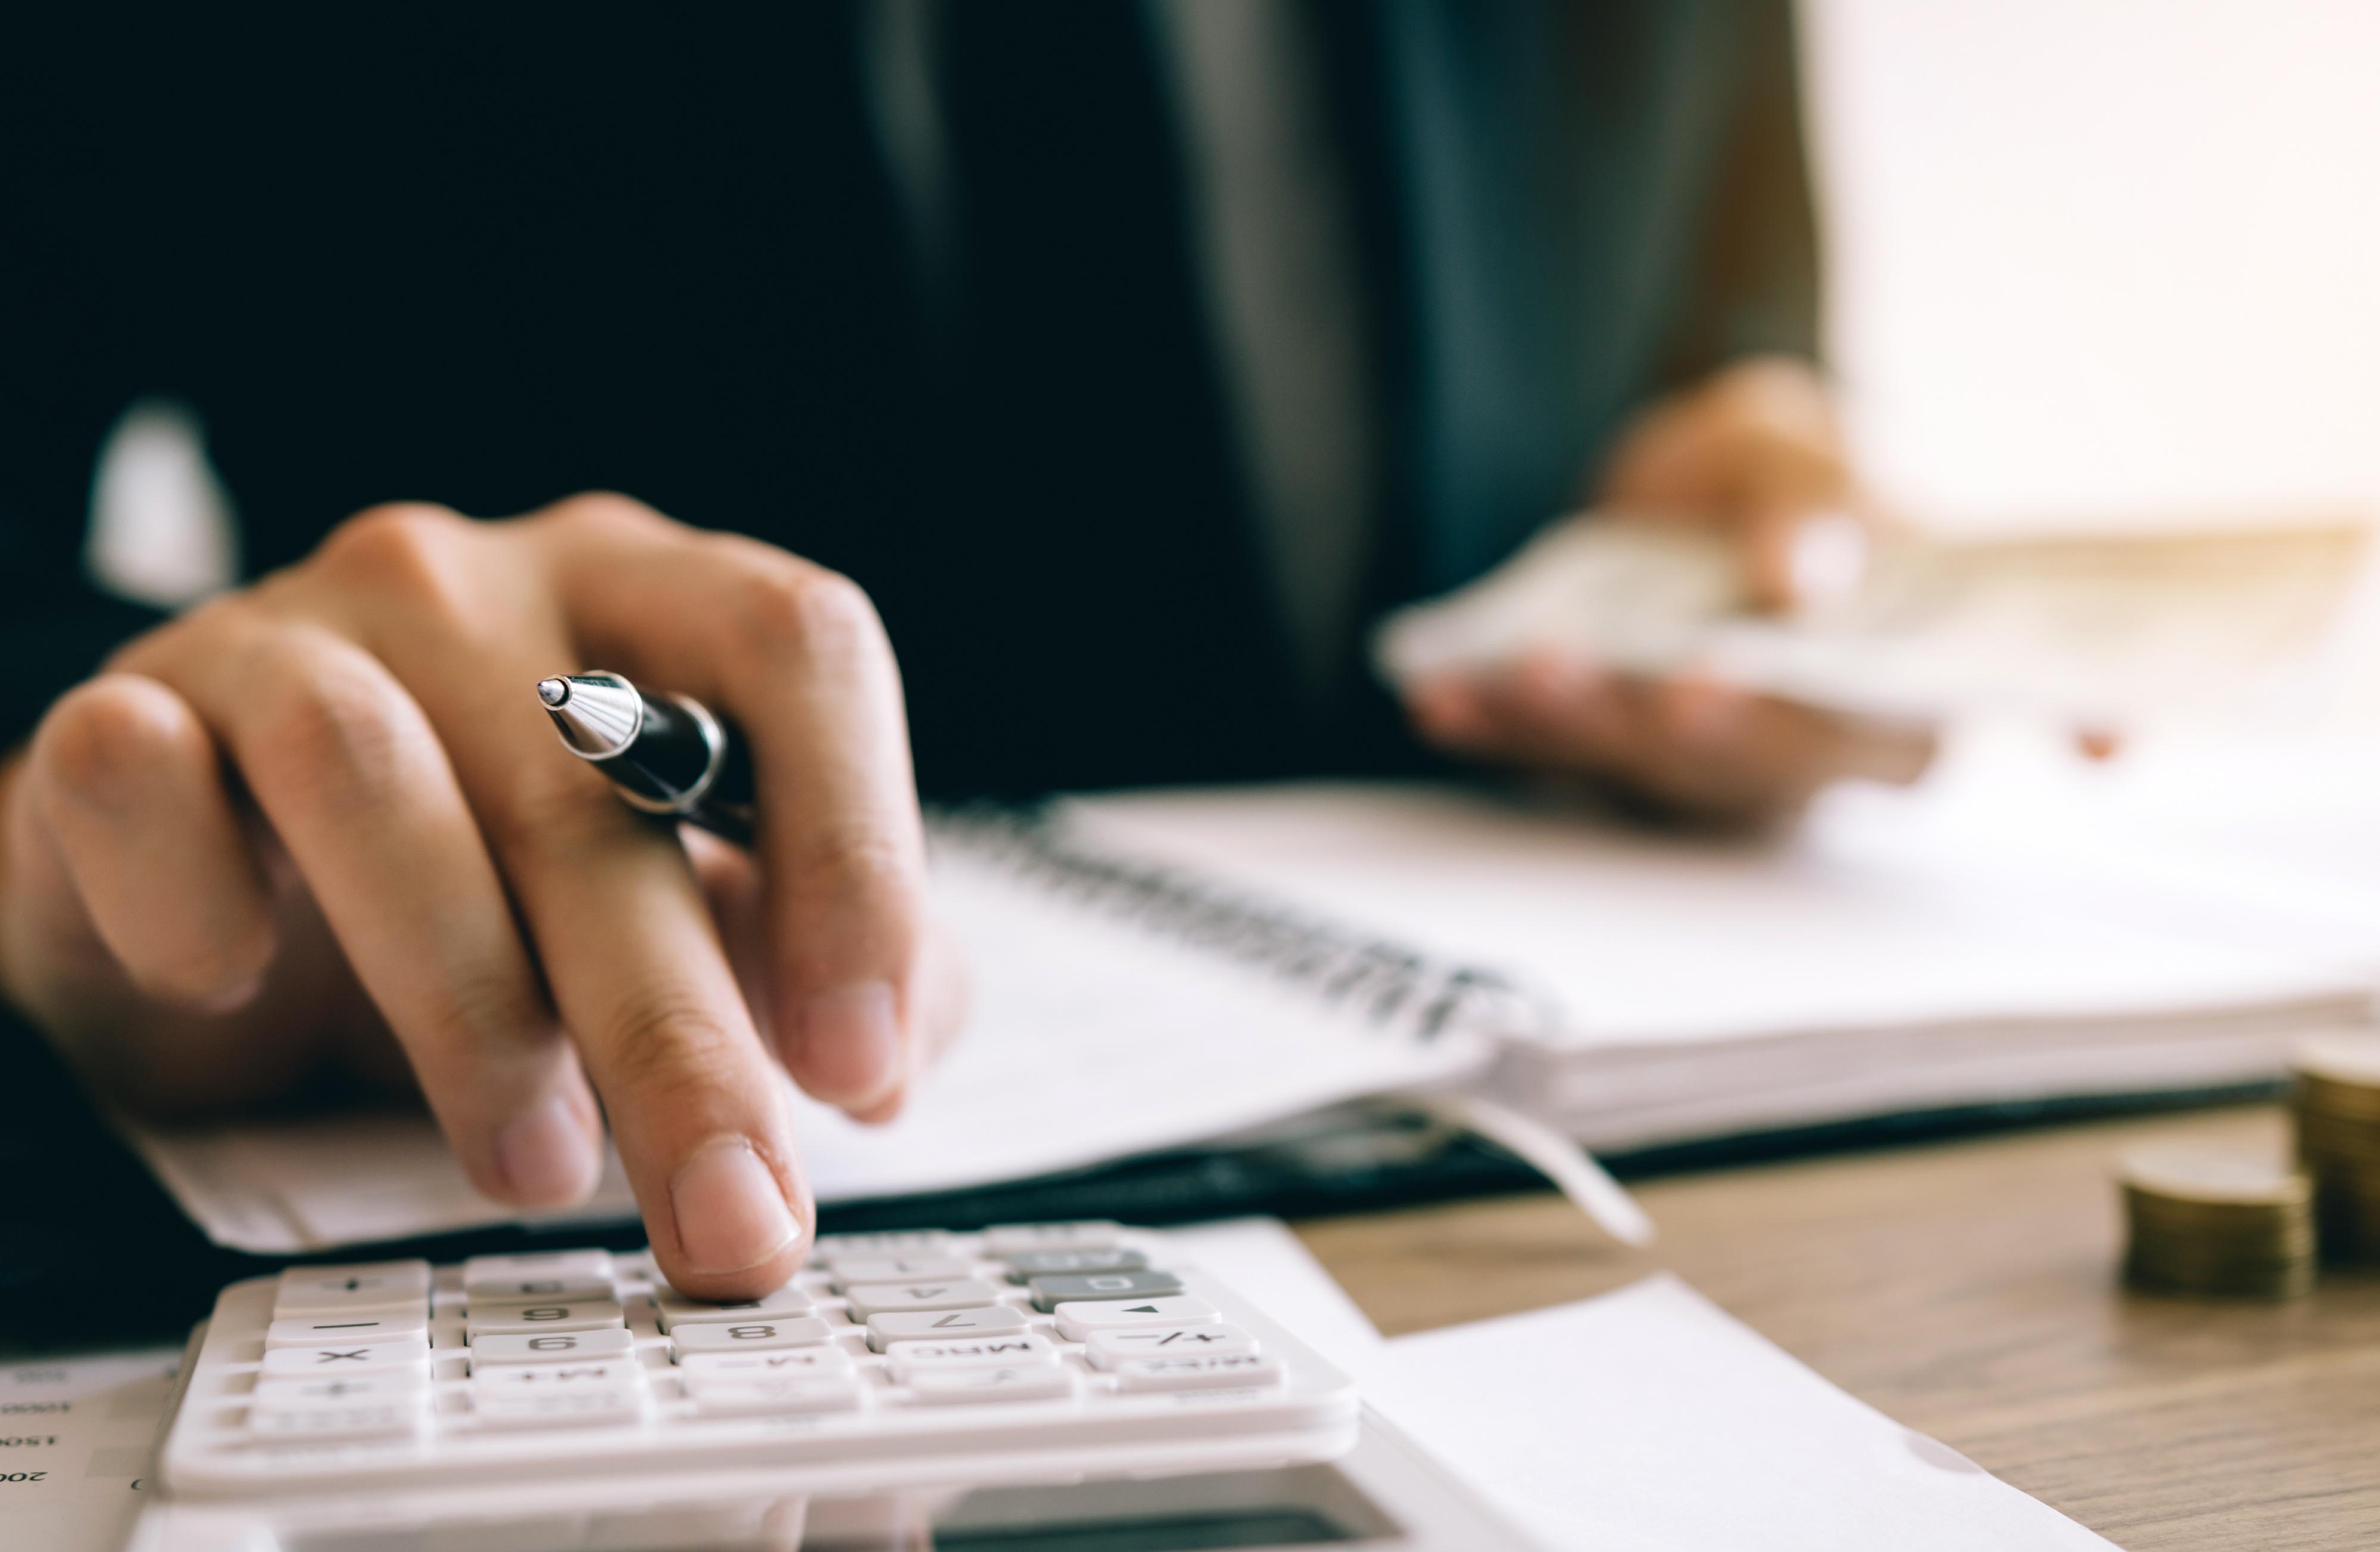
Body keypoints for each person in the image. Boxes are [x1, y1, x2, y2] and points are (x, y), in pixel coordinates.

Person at [0, 2, 1913, 1299]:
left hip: (1587, 1152)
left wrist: (1743, 522)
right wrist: (96, 814)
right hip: (486, 1101)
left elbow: (1721, 331)